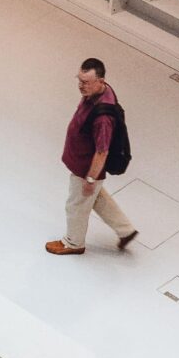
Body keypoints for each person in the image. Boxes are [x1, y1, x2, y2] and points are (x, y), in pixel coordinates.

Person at [46, 57, 139, 256]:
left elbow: (102, 151)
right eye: (79, 80)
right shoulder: (99, 92)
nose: (81, 86)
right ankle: (126, 230)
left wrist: (90, 178)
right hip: (83, 165)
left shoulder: (103, 118)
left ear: (101, 81)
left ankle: (73, 242)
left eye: (86, 82)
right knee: (95, 196)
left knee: (76, 205)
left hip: (86, 168)